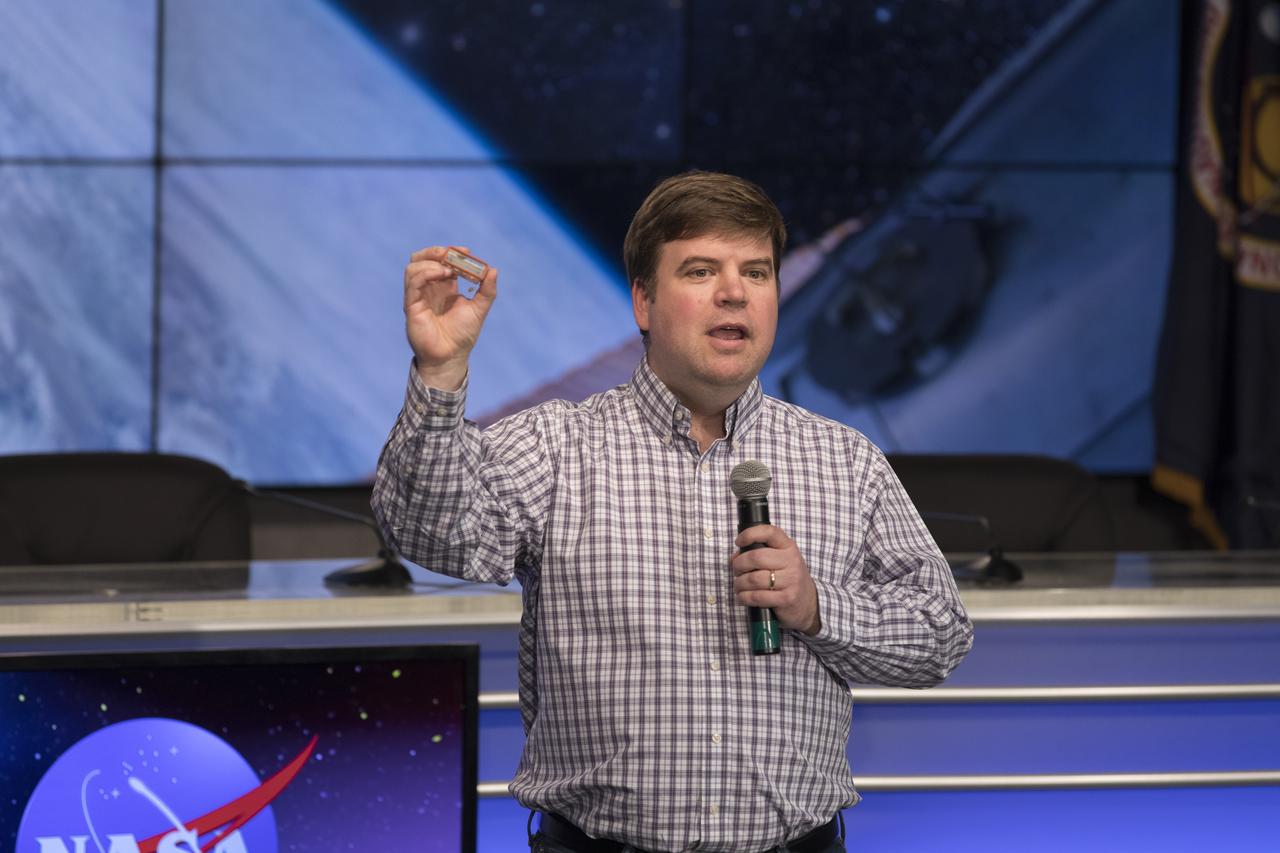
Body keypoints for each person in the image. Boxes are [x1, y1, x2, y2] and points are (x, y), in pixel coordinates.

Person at [372, 171, 973, 853]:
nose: (734, 291)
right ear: (644, 302)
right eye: (700, 270)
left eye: (756, 271)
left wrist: (815, 606)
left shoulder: (845, 461)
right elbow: (426, 530)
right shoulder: (555, 446)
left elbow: (940, 635)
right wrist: (441, 373)